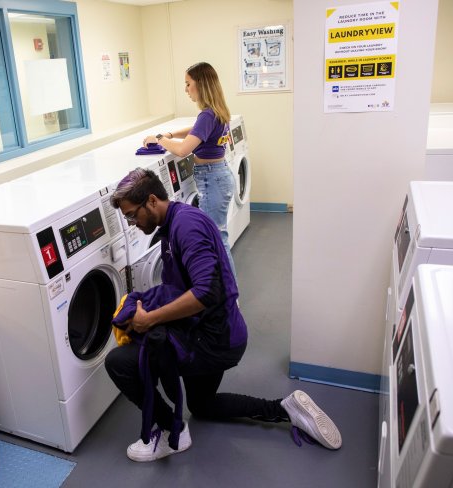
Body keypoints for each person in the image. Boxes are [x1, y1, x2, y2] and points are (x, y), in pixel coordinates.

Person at [105, 168, 342, 462]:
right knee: (203, 405)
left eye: (132, 215)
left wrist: (150, 318)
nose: (132, 223)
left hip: (213, 340)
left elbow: (206, 293)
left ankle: (172, 433)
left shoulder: (186, 228)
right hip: (221, 331)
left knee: (119, 363)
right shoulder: (175, 221)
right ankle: (286, 409)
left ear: (152, 201)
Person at [143, 61, 237, 274]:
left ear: (201, 84)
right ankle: (223, 290)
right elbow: (196, 130)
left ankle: (230, 296)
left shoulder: (207, 114)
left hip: (212, 180)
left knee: (217, 239)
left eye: (188, 84)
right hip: (218, 176)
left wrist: (158, 139)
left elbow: (184, 150)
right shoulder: (217, 110)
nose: (186, 89)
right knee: (217, 236)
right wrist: (170, 134)